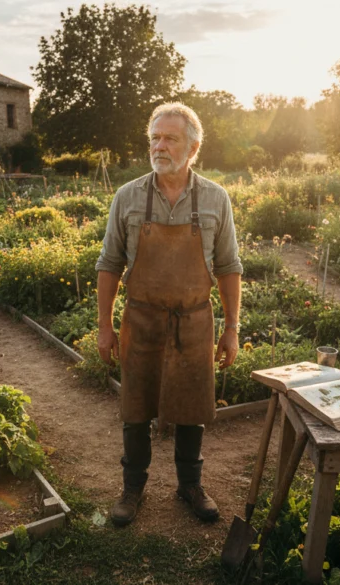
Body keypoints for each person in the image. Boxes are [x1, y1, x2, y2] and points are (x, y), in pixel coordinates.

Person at [95, 102, 243, 527]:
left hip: (193, 321)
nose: (159, 146)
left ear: (192, 148)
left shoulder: (215, 199)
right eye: (154, 138)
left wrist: (232, 329)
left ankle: (190, 485)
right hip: (141, 321)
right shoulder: (128, 197)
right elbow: (109, 264)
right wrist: (105, 326)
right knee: (136, 407)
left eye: (170, 139)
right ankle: (132, 489)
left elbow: (229, 267)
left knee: (192, 407)